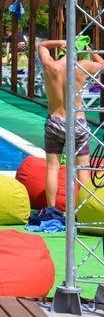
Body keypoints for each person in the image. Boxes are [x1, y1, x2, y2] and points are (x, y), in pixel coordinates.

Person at [38, 39, 104, 210]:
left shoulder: (50, 66)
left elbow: (42, 45)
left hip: (55, 121)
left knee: (53, 167)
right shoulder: (82, 66)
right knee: (83, 168)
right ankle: (84, 210)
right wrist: (89, 50)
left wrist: (60, 42)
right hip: (77, 123)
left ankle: (51, 210)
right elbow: (102, 65)